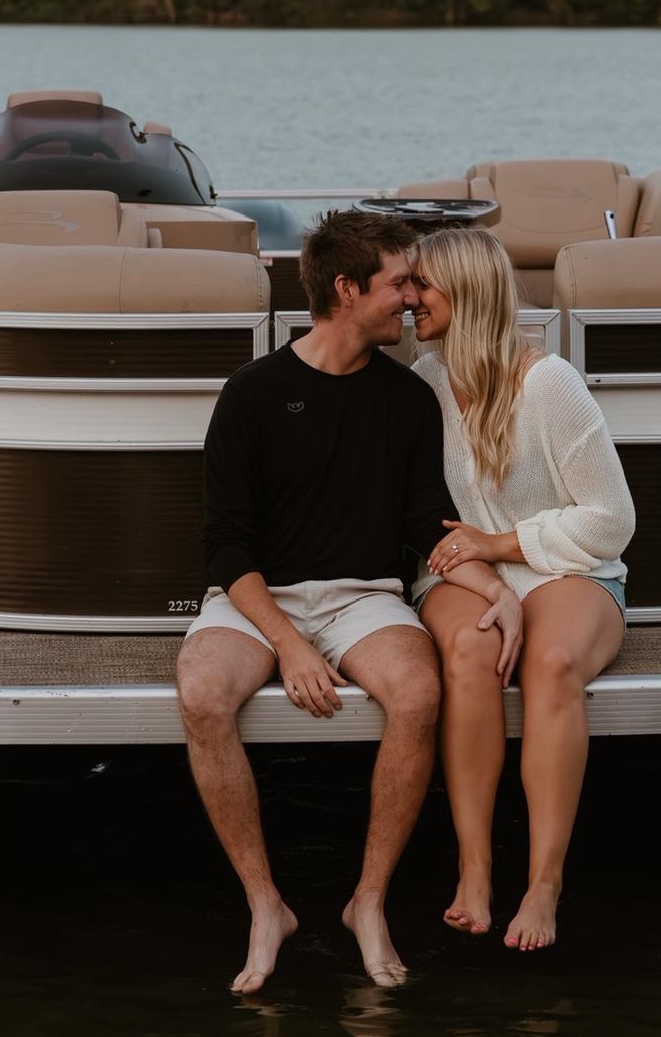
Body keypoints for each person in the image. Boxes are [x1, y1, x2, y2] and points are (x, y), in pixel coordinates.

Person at [177, 210, 523, 994]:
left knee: (418, 693)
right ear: (346, 289)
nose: (414, 298)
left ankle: (368, 901)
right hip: (257, 599)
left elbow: (426, 527)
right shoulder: (253, 393)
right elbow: (225, 547)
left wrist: (494, 589)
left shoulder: (407, 398)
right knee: (201, 693)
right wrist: (289, 644)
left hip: (363, 599)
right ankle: (266, 904)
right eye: (400, 283)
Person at [409, 225, 635, 953]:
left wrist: (503, 543)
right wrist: (480, 564)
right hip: (462, 570)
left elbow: (612, 520)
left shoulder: (549, 383)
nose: (409, 299)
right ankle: (474, 868)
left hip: (566, 566)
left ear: (465, 290)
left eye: (422, 285)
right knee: (471, 655)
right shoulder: (424, 381)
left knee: (553, 662)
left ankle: (544, 882)